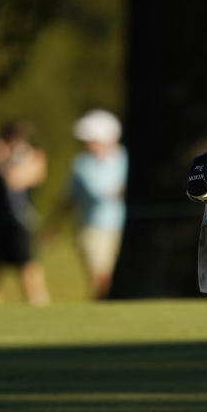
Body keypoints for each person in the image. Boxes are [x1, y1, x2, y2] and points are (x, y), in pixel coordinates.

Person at [0, 121, 51, 307]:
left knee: (29, 273)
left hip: (20, 223)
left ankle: (40, 311)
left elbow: (14, 181)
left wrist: (2, 161)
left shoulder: (32, 156)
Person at [70, 109, 128, 300]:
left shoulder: (125, 158)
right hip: (92, 228)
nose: (88, 143)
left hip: (123, 226)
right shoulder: (81, 164)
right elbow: (73, 198)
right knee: (100, 276)